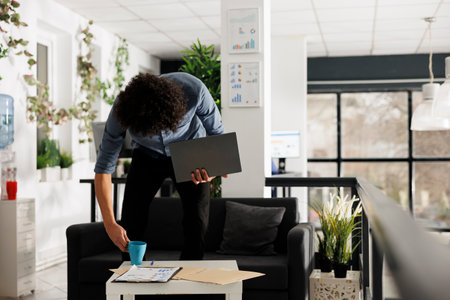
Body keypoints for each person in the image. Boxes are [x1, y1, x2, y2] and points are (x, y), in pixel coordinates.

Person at [94, 72, 225, 260]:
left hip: (190, 149)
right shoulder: (122, 109)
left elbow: (218, 135)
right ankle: (134, 276)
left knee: (197, 221)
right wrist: (109, 223)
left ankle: (189, 279)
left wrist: (212, 170)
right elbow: (103, 169)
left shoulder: (194, 90)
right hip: (147, 156)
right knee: (132, 220)